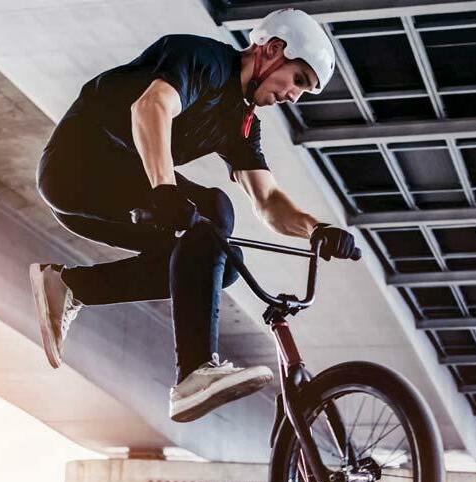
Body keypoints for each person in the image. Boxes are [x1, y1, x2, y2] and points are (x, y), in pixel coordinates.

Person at [30, 9, 358, 423]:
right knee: (215, 209)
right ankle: (194, 374)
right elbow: (151, 107)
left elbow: (268, 199)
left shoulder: (241, 124)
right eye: (298, 79)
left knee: (223, 266)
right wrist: (164, 189)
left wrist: (317, 230)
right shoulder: (203, 59)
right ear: (273, 50)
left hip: (115, 202)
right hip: (75, 168)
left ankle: (71, 286)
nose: (294, 96)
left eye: (304, 90)